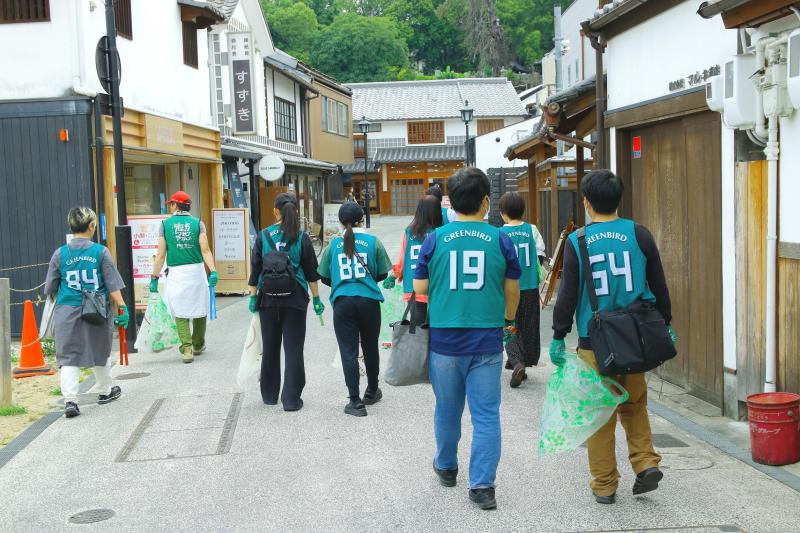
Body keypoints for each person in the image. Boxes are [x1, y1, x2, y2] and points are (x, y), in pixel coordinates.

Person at [551, 169, 675, 505]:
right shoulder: (639, 234)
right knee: (634, 405)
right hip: (636, 339)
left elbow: (567, 294)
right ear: (619, 198)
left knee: (599, 415)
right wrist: (666, 321)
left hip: (596, 344)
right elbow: (659, 284)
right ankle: (646, 462)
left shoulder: (578, 242)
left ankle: (605, 485)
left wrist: (558, 334)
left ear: (587, 202)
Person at [414, 168, 521, 510]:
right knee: (486, 414)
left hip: (445, 341)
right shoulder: (501, 239)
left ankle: (446, 467)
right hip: (487, 340)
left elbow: (420, 289)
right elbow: (512, 289)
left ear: (452, 202)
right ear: (486, 201)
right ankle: (482, 486)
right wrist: (507, 319)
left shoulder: (435, 239)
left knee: (447, 409)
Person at [44, 207, 128, 419]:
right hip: (97, 309)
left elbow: (50, 287)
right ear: (91, 226)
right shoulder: (100, 252)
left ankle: (70, 401)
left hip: (67, 310)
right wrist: (123, 307)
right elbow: (112, 285)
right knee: (100, 350)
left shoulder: (60, 253)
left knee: (69, 356)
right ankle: (104, 391)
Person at [248, 193, 323, 411]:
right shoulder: (301, 237)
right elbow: (311, 273)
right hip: (295, 299)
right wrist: (317, 300)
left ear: (275, 211)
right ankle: (291, 399)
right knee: (293, 349)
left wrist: (253, 298)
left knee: (270, 348)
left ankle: (270, 395)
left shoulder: (263, 236)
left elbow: (255, 271)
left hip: (268, 300)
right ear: (296, 211)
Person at [318, 202, 392, 417]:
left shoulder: (334, 244)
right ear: (362, 219)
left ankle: (355, 401)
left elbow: (324, 276)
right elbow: (382, 274)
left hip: (343, 302)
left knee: (348, 351)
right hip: (369, 301)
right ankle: (371, 390)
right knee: (370, 346)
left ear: (341, 222)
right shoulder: (372, 241)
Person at [150, 191, 218, 364]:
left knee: (180, 311)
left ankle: (186, 349)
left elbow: (160, 255)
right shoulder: (198, 224)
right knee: (199, 308)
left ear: (174, 205)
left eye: (170, 204)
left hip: (177, 273)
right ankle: (198, 343)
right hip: (196, 271)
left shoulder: (165, 225)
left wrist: (154, 277)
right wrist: (213, 270)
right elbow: (205, 250)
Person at [498, 192, 546, 388]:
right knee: (528, 325)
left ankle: (516, 361)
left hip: (508, 288)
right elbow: (541, 255)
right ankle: (522, 362)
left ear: (502, 213)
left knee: (509, 325)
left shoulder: (500, 233)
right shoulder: (531, 229)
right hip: (530, 286)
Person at [382, 195, 443, 318]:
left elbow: (403, 258)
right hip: (436, 286)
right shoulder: (440, 233)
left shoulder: (410, 231)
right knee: (435, 327)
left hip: (413, 285)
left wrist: (394, 276)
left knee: (418, 330)